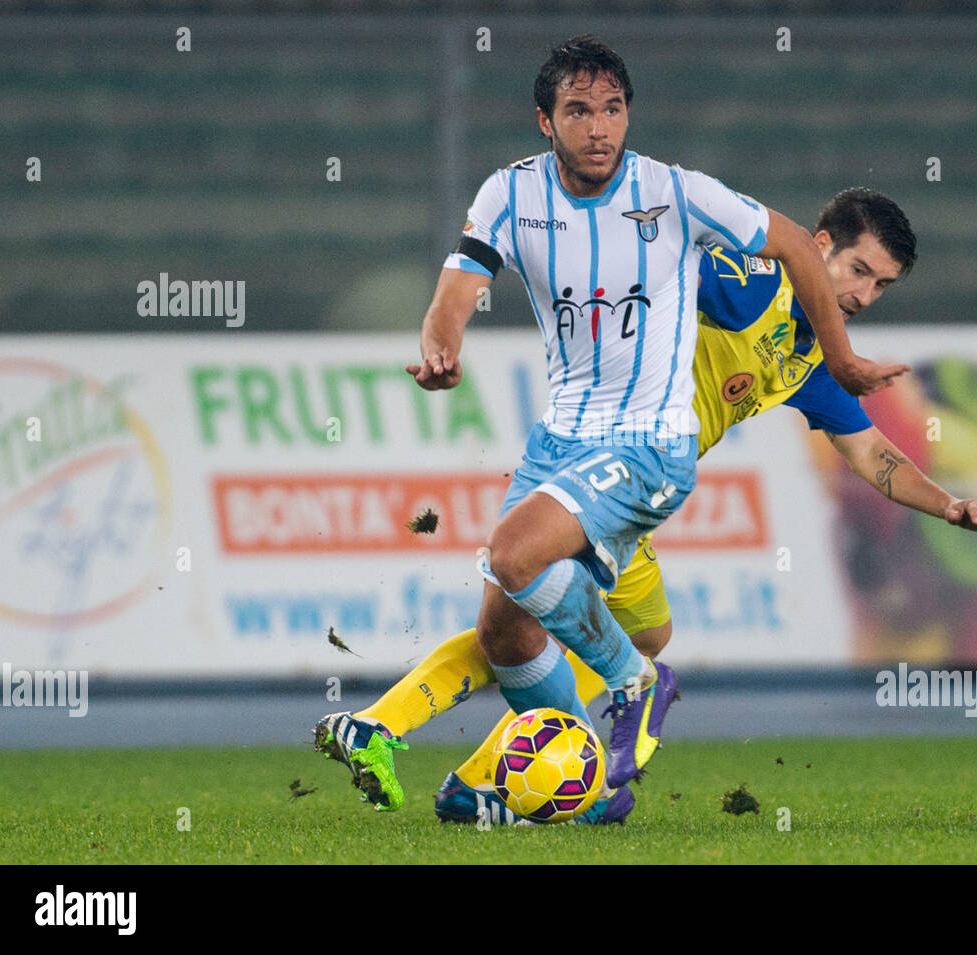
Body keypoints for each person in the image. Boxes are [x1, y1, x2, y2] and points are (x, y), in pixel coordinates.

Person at [314, 36, 907, 801]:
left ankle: (632, 686)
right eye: (579, 110)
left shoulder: (677, 193)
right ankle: (583, 785)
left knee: (521, 556)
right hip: (561, 440)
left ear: (630, 115)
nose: (599, 127)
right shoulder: (510, 194)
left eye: (614, 109)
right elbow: (457, 288)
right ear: (545, 120)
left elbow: (792, 243)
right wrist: (440, 348)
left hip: (650, 444)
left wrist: (844, 357)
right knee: (508, 625)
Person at [316, 187, 977, 824]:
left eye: (881, 284)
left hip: (630, 486)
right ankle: (544, 759)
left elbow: (870, 453)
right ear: (818, 245)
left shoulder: (807, 353)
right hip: (606, 458)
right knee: (524, 615)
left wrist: (948, 505)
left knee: (596, 629)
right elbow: (655, 263)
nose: (865, 293)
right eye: (859, 269)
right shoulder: (754, 281)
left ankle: (478, 763)